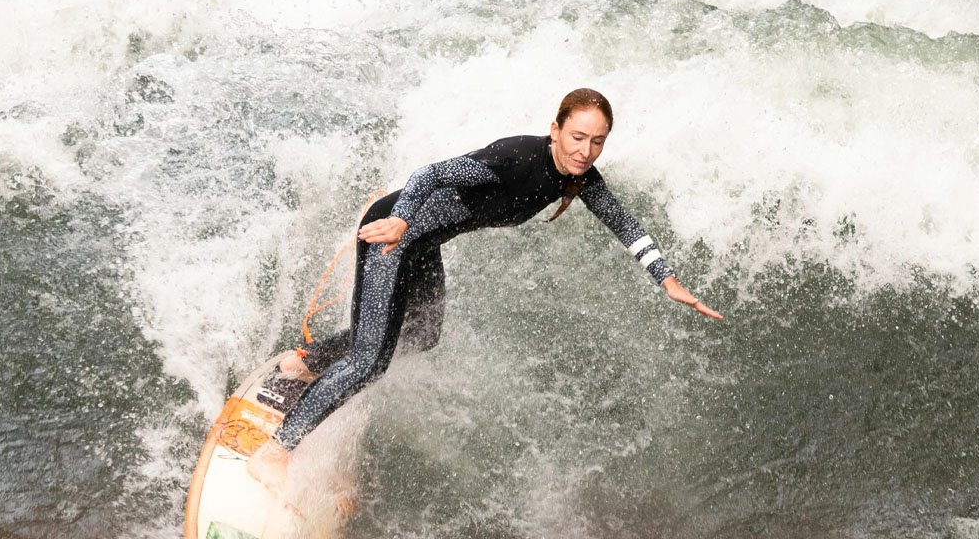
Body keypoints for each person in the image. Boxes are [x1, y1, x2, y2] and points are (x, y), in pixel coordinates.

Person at [248, 88, 721, 490]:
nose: (586, 150)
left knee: (421, 334)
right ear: (555, 129)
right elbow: (432, 174)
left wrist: (668, 280)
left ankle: (304, 363)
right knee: (371, 362)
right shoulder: (516, 159)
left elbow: (624, 222)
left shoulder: (578, 178)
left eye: (597, 142)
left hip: (422, 243)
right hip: (391, 235)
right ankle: (275, 451)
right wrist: (402, 219)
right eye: (578, 137)